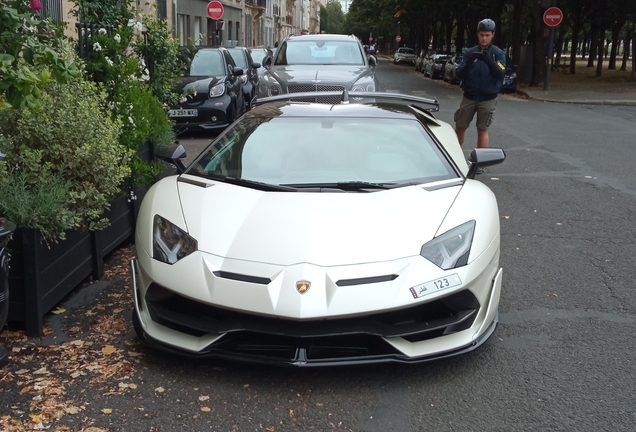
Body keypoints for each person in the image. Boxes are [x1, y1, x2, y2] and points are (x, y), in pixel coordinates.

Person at [454, 18, 505, 151]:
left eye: (487, 35)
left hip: (488, 98)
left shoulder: (497, 53)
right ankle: (453, 157)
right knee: (460, 127)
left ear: (493, 34)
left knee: (482, 129)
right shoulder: (470, 52)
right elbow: (459, 74)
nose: (484, 38)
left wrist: (490, 62)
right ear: (478, 34)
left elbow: (501, 74)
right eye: (482, 35)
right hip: (469, 96)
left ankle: (480, 162)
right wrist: (469, 63)